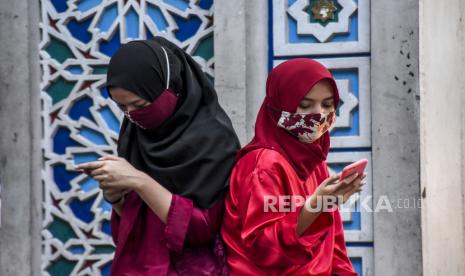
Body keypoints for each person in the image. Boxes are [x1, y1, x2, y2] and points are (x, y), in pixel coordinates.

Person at [76, 37, 240, 275]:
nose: (132, 115)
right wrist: (116, 198)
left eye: (140, 104)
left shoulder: (214, 141)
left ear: (171, 88)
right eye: (123, 108)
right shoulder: (137, 135)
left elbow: (201, 229)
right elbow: (136, 227)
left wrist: (139, 181)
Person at [221, 58, 364, 275]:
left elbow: (333, 243)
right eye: (305, 105)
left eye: (327, 104)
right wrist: (314, 207)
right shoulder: (263, 165)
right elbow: (264, 249)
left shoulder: (314, 161)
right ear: (280, 105)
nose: (319, 115)